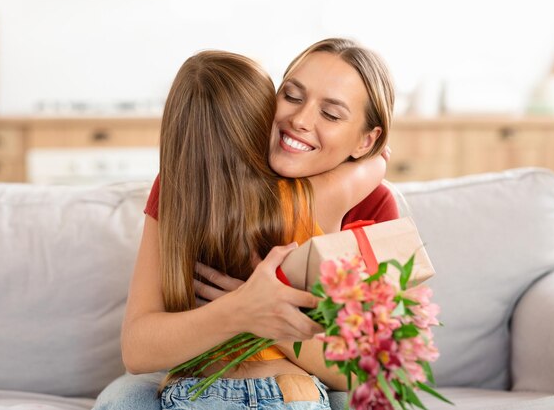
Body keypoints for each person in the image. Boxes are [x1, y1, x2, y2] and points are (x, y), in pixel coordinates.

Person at [94, 38, 397, 410]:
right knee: (125, 396)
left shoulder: (374, 204)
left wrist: (261, 313)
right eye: (291, 95)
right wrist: (234, 311)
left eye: (331, 115)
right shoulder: (196, 182)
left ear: (367, 139)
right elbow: (139, 348)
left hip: (294, 377)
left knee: (373, 401)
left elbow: (364, 371)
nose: (300, 120)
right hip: (211, 376)